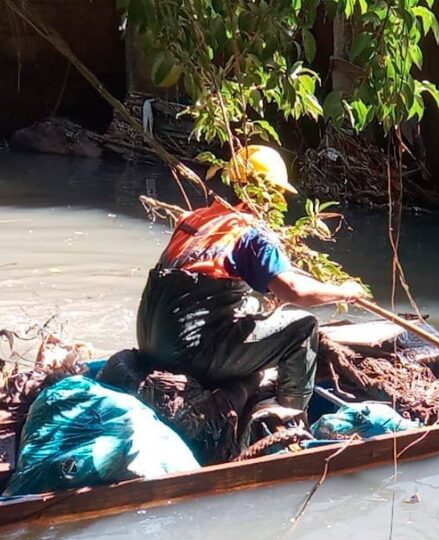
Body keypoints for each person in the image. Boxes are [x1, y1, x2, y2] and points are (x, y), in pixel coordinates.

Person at [136, 145, 366, 417]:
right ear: (266, 193)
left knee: (252, 310)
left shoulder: (195, 220)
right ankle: (291, 414)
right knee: (303, 327)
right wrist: (344, 292)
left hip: (150, 345)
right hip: (189, 355)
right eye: (277, 194)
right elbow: (294, 291)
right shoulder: (251, 233)